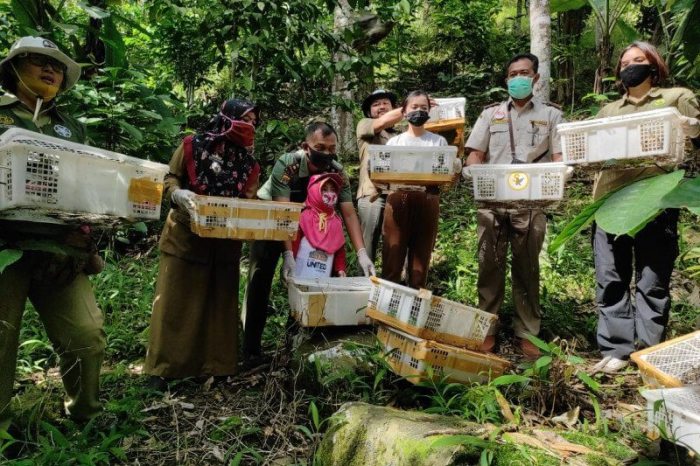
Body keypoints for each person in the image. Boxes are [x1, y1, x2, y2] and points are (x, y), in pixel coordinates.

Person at [0, 36, 105, 426]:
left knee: (86, 336)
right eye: (37, 61)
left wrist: (85, 233)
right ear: (12, 69)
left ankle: (86, 416)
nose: (50, 70)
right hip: (5, 246)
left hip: (60, 248)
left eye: (57, 65)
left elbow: (85, 186)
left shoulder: (70, 128)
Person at [589, 42, 700, 374]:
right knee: (611, 277)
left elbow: (695, 141)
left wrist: (693, 130)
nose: (630, 66)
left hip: (657, 200)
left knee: (652, 278)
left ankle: (649, 351)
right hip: (610, 200)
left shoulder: (676, 98)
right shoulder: (609, 111)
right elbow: (593, 149)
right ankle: (616, 350)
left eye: (638, 60)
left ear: (654, 66)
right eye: (625, 62)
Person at [144, 99, 261, 386]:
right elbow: (171, 178)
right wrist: (179, 195)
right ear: (228, 117)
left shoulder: (248, 162)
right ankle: (164, 368)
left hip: (224, 240)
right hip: (186, 236)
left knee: (220, 305)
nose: (251, 126)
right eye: (245, 118)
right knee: (176, 303)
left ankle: (217, 366)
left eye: (254, 122)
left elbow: (249, 197)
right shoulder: (191, 146)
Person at [243, 122, 375, 364]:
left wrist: (362, 252)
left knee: (313, 280)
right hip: (273, 219)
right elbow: (283, 212)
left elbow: (348, 212)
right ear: (305, 146)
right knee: (261, 278)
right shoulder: (289, 164)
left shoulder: (337, 172)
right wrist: (288, 255)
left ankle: (296, 340)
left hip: (311, 224)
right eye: (319, 147)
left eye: (331, 148)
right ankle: (250, 348)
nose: (326, 153)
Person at [465, 53, 565, 359]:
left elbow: (560, 157)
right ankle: (487, 327)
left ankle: (527, 332)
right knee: (489, 267)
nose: (518, 77)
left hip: (531, 203)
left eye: (524, 72)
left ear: (535, 78)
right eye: (512, 73)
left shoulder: (551, 116)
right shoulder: (490, 114)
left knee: (527, 268)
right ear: (506, 79)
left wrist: (559, 174)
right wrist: (474, 171)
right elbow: (474, 153)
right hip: (493, 202)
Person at [382, 90, 448, 289]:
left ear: (429, 112)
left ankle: (413, 311)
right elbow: (384, 173)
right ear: (404, 112)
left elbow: (443, 173)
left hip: (428, 200)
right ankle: (386, 312)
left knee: (420, 261)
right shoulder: (395, 142)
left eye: (424, 108)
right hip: (398, 200)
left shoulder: (438, 142)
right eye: (414, 107)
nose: (419, 111)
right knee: (392, 258)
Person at [356, 89, 402, 260]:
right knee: (368, 246)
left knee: (396, 243)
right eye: (376, 105)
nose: (381, 107)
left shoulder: (403, 134)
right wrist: (411, 107)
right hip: (371, 193)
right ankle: (365, 283)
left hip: (398, 194)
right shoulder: (365, 124)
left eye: (385, 103)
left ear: (393, 107)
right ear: (369, 112)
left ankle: (393, 284)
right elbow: (381, 123)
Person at [292, 173, 347, 279]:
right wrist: (289, 262)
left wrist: (340, 269)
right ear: (314, 191)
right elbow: (294, 243)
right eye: (324, 189)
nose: (329, 194)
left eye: (332, 190)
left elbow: (340, 249)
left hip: (323, 279)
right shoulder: (304, 217)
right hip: (299, 276)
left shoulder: (336, 222)